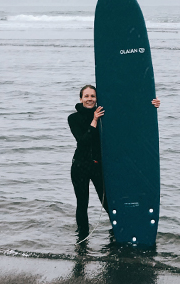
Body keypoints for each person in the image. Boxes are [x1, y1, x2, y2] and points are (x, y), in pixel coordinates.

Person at [68, 85, 160, 231]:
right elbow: (83, 140)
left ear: (97, 98)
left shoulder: (105, 115)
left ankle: (119, 232)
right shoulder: (73, 118)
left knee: (107, 203)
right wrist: (94, 120)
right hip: (80, 166)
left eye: (93, 96)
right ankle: (82, 239)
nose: (90, 99)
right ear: (81, 99)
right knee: (82, 203)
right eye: (86, 96)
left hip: (98, 165)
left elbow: (129, 115)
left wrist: (150, 105)